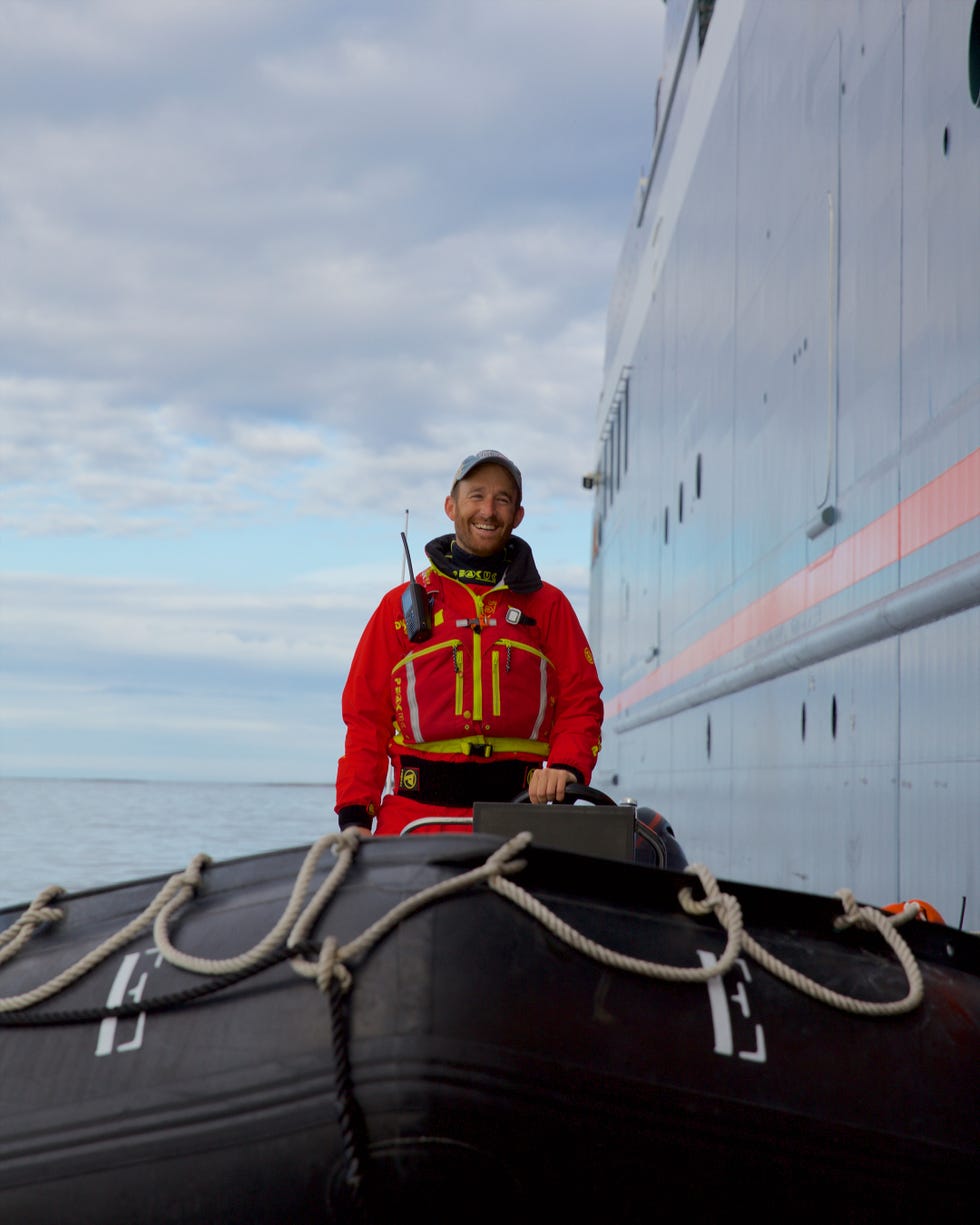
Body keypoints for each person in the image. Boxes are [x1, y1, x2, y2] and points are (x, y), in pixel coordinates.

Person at [335, 449, 604, 836]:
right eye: (476, 495)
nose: (488, 510)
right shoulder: (398, 607)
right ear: (451, 506)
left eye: (503, 499)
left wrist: (566, 768)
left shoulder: (550, 606)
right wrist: (356, 816)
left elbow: (582, 701)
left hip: (521, 823)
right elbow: (365, 717)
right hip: (413, 825)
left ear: (518, 515)